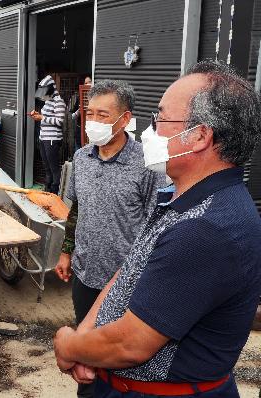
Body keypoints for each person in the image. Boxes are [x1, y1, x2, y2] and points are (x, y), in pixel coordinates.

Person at [53, 60, 261, 397]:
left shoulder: (206, 228)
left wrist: (70, 344)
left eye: (161, 118)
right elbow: (129, 269)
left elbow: (131, 344)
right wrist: (87, 336)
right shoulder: (182, 195)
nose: (152, 130)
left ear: (199, 136)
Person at [54, 80, 165, 398]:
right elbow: (75, 211)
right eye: (90, 113)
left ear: (125, 119)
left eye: (103, 115)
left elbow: (154, 224)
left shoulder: (146, 164)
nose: (93, 122)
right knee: (86, 356)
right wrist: (66, 253)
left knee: (122, 359)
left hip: (128, 283)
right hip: (86, 273)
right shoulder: (82, 158)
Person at [30, 75, 66, 193]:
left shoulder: (58, 101)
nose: (42, 94)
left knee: (54, 168)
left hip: (53, 139)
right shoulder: (48, 101)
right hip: (44, 138)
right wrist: (37, 115)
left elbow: (60, 121)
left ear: (51, 89)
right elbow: (46, 117)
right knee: (47, 167)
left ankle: (55, 192)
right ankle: (47, 190)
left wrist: (42, 117)